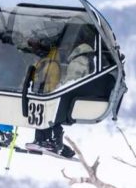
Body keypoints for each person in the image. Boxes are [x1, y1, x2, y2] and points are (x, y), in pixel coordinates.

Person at [28, 24, 96, 158]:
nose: (66, 44)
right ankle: (47, 140)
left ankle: (51, 142)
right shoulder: (75, 57)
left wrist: (57, 88)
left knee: (48, 108)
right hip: (64, 98)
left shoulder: (80, 60)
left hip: (67, 99)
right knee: (44, 106)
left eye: (70, 40)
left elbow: (72, 83)